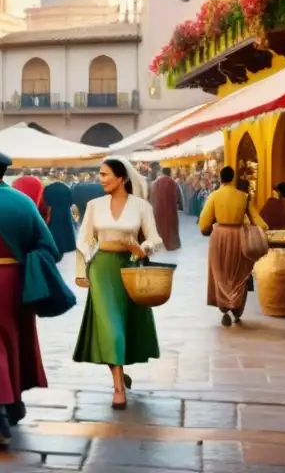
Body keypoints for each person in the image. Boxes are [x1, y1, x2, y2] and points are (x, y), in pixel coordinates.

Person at [0, 149, 70, 449]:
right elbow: (49, 246)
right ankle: (14, 405)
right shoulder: (25, 202)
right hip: (20, 283)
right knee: (14, 342)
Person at [73, 157, 163, 410]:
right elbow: (84, 239)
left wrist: (142, 248)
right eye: (99, 175)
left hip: (130, 268)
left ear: (121, 178)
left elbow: (155, 238)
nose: (100, 179)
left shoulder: (141, 206)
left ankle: (118, 371)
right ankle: (118, 388)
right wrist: (82, 271)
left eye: (105, 174)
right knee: (111, 327)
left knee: (124, 326)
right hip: (101, 269)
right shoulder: (94, 205)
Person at [199, 166, 268, 327]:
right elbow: (256, 218)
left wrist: (207, 229)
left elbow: (204, 222)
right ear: (233, 178)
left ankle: (224, 309)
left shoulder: (214, 196)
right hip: (239, 236)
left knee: (220, 272)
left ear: (221, 178)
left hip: (219, 236)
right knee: (238, 272)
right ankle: (236, 309)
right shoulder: (243, 197)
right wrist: (266, 230)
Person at [42, 178, 78, 255]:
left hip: (52, 212)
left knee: (53, 230)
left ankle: (53, 247)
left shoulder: (48, 188)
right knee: (65, 231)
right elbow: (71, 201)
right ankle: (66, 247)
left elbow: (45, 200)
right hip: (65, 213)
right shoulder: (66, 188)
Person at [150, 167, 183, 251]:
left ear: (162, 172)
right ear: (170, 173)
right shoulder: (172, 182)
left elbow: (152, 196)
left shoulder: (156, 183)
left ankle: (160, 245)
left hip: (158, 209)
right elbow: (176, 196)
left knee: (160, 226)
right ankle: (171, 245)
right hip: (170, 209)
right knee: (171, 226)